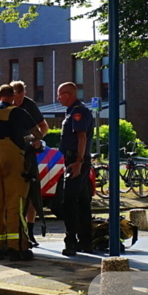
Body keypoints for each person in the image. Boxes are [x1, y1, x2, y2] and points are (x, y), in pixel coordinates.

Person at [0, 84, 43, 261]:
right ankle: (17, 247)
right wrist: (26, 138)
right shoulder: (19, 112)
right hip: (14, 157)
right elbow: (38, 133)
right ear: (12, 98)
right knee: (15, 202)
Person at [11, 80, 50, 246]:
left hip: (27, 153)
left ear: (24, 95)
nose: (16, 103)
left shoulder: (30, 105)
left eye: (19, 100)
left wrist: (37, 140)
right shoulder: (1, 103)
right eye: (14, 100)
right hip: (10, 153)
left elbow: (44, 126)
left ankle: (30, 232)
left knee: (31, 193)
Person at [57, 81, 94, 256]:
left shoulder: (78, 111)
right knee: (83, 202)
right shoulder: (73, 111)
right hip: (75, 159)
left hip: (75, 161)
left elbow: (82, 137)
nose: (58, 98)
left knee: (69, 201)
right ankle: (86, 241)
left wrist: (78, 161)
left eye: (60, 94)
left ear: (69, 94)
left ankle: (71, 242)